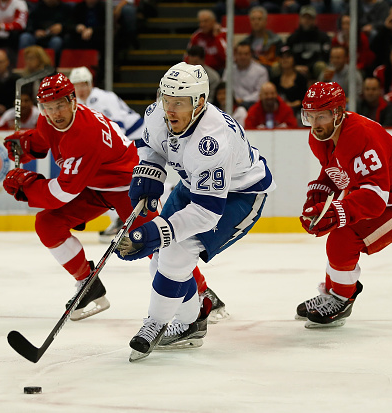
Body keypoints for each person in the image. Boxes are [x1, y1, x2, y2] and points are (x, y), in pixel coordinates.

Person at [2, 73, 223, 324]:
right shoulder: (48, 120)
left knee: (157, 243)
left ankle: (204, 293)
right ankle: (88, 285)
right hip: (93, 185)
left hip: (128, 186)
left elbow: (63, 192)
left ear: (73, 101)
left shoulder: (84, 133)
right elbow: (46, 139)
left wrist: (27, 186)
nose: (55, 113)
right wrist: (28, 144)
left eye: (61, 105)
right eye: (49, 108)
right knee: (47, 224)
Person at [115, 62, 275, 361]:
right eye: (166, 99)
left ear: (199, 102)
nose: (170, 109)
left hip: (238, 196)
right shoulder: (156, 114)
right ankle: (191, 324)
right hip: (194, 185)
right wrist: (148, 172)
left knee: (175, 254)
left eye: (179, 102)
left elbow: (206, 213)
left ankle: (157, 323)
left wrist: (155, 231)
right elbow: (153, 147)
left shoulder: (211, 141)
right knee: (163, 258)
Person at [297, 81, 392, 328]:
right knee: (338, 235)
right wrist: (323, 189)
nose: (315, 125)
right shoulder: (320, 138)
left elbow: (374, 198)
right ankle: (332, 291)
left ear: (337, 114)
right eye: (310, 116)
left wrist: (337, 211)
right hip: (380, 194)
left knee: (343, 238)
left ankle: (341, 297)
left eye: (322, 116)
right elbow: (338, 170)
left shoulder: (360, 135)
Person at [69, 65, 145, 241]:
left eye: (83, 84)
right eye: (77, 85)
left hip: (137, 139)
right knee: (110, 182)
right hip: (123, 143)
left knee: (130, 180)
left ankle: (123, 218)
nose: (80, 89)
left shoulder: (103, 97)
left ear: (90, 84)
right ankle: (120, 219)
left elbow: (118, 127)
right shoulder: (77, 104)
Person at [285, 5, 331, 81]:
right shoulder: (292, 38)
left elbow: (326, 58)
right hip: (295, 69)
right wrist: (294, 66)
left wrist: (309, 68)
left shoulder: (323, 37)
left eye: (310, 18)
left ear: (315, 20)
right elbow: (286, 55)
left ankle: (325, 91)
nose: (307, 20)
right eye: (304, 17)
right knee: (277, 66)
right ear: (300, 19)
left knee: (322, 66)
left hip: (315, 69)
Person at [223, 42, 269, 110]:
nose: (243, 57)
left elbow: (261, 92)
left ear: (251, 55)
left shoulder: (261, 71)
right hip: (231, 104)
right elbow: (223, 87)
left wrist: (243, 100)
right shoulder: (229, 70)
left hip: (252, 105)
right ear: (235, 55)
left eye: (246, 54)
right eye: (240, 54)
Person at [242, 6, 283, 77]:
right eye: (253, 19)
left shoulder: (275, 40)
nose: (256, 22)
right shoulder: (245, 42)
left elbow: (280, 59)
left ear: (265, 21)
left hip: (270, 72)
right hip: (249, 73)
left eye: (259, 19)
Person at [184, 9, 227, 74]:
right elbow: (187, 57)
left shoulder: (224, 34)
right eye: (200, 22)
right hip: (201, 70)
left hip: (220, 70)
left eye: (205, 21)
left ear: (214, 22)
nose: (202, 25)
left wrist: (216, 37)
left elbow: (226, 57)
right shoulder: (197, 36)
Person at [274, 45, 308, 123]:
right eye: (282, 57)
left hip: (298, 113)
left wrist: (292, 104)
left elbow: (304, 100)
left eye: (288, 57)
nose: (285, 60)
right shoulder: (275, 80)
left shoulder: (301, 79)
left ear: (293, 59)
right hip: (279, 114)